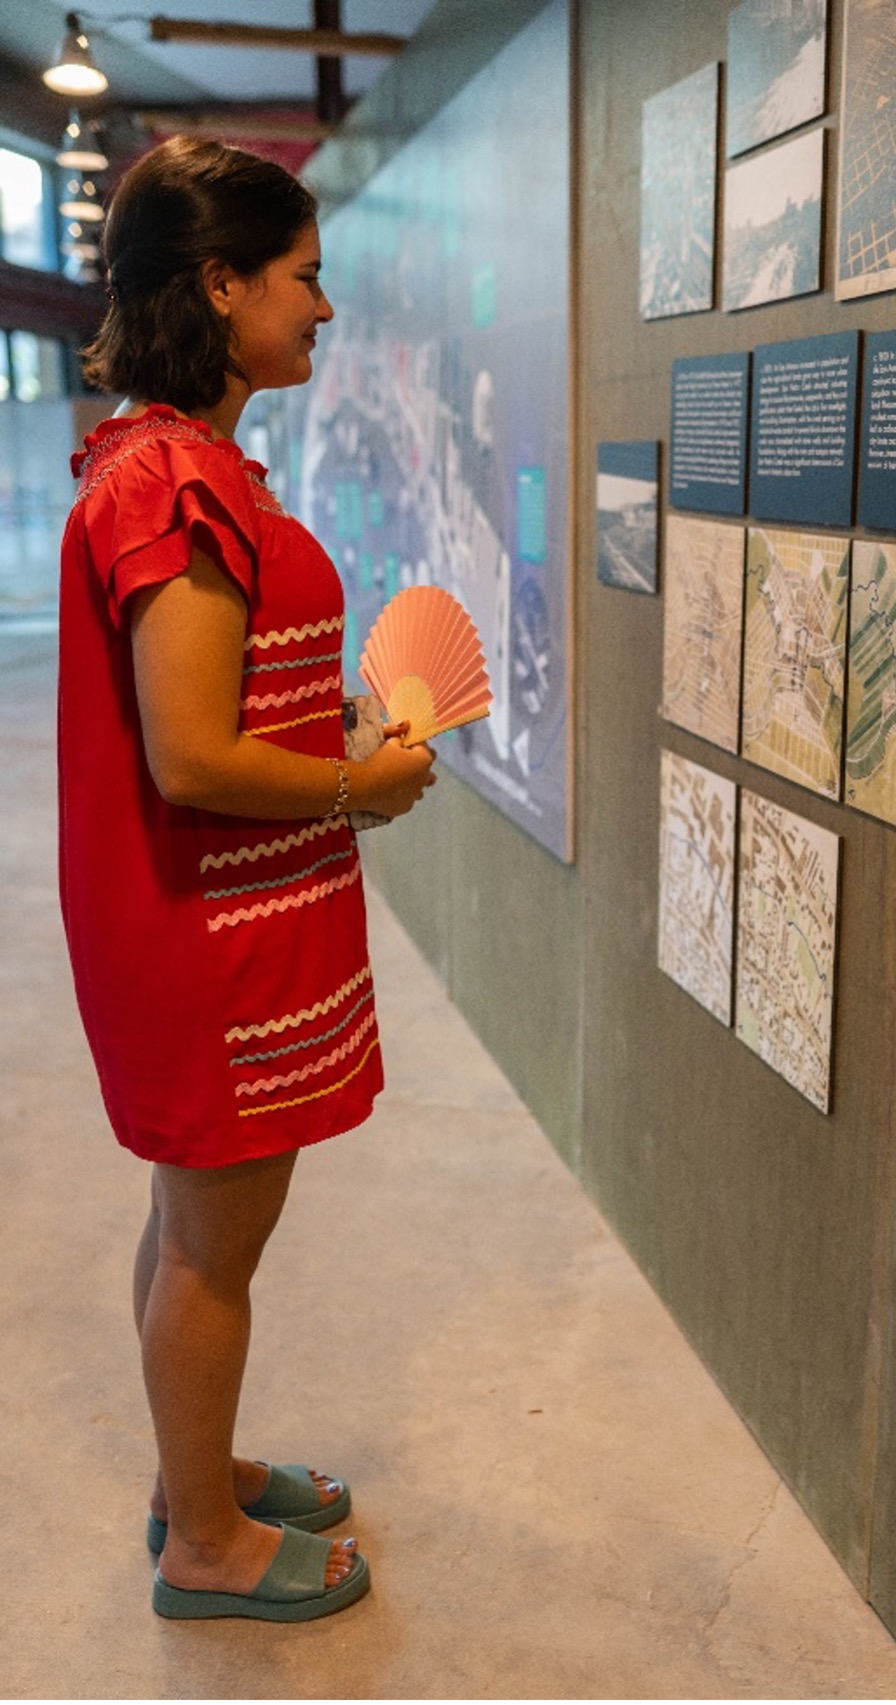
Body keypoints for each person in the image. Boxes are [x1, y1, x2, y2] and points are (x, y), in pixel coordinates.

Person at [58, 136, 436, 1622]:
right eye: (304, 276)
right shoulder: (172, 482)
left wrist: (326, 719)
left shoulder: (163, 463)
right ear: (220, 285)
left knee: (195, 1221)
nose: (325, 309)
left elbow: (216, 709)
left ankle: (191, 1479)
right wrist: (363, 781)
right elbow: (194, 758)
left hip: (214, 918)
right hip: (206, 929)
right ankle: (205, 1545)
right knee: (218, 1242)